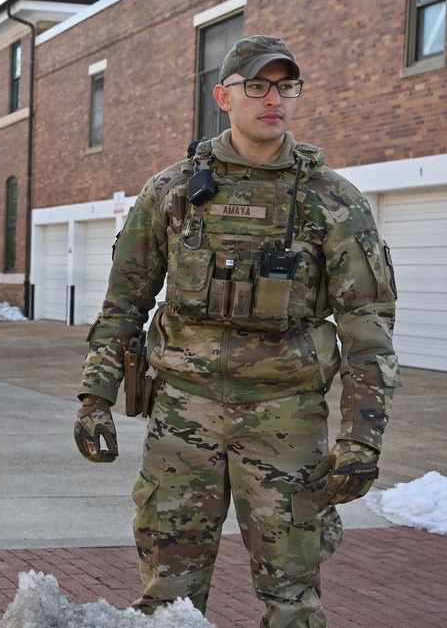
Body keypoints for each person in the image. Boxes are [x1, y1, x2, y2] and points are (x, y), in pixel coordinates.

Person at [74, 35, 399, 627]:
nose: (273, 98)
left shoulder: (333, 200)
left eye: (285, 86)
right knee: (168, 592)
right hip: (182, 417)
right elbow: (124, 302)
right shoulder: (173, 191)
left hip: (286, 420)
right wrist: (95, 396)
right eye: (257, 85)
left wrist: (362, 439)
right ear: (224, 95)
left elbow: (369, 328)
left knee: (293, 594)